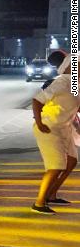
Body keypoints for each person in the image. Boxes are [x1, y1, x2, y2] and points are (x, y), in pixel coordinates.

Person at [31, 52, 79, 214]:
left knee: (71, 161)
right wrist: (39, 122)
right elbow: (37, 100)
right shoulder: (62, 82)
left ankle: (52, 194)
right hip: (49, 127)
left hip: (64, 128)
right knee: (56, 166)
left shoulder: (75, 84)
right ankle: (39, 203)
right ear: (69, 67)